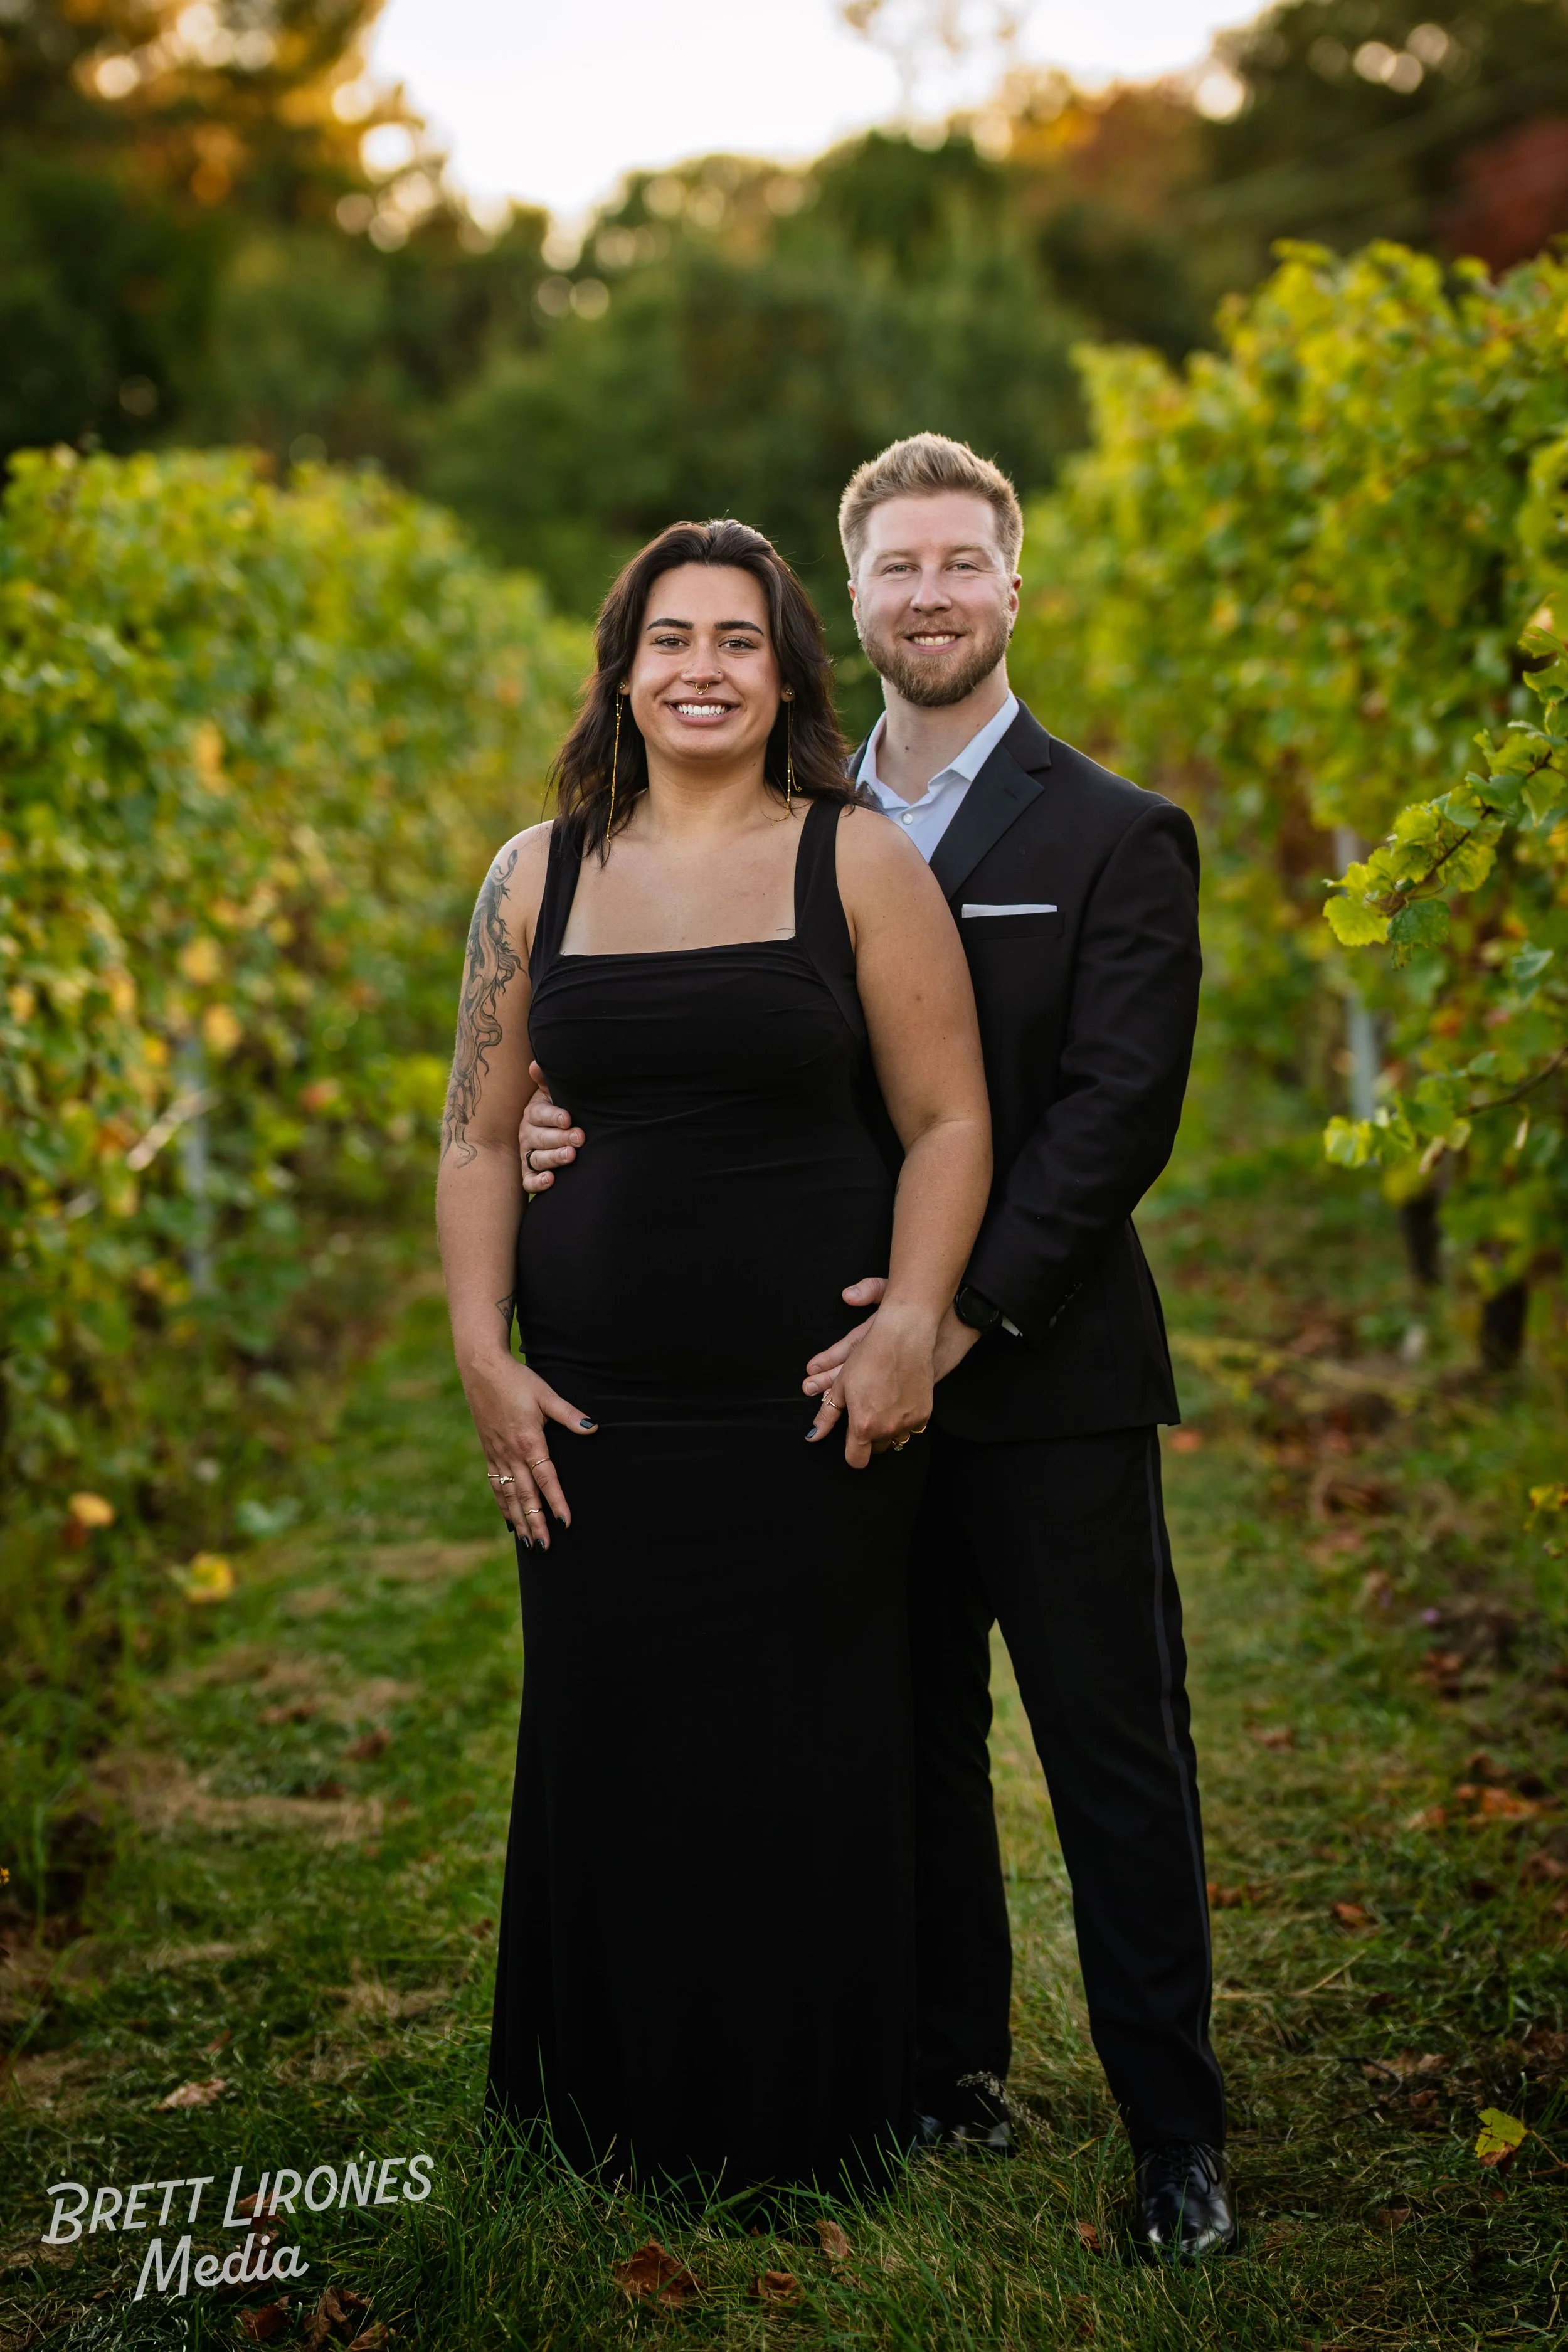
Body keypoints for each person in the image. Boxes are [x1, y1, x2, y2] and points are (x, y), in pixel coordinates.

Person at [518, 438, 1236, 2259]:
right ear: (853, 599)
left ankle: (1174, 2132)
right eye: (894, 567)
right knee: (894, 1738)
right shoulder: (784, 812)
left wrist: (957, 1314)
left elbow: (1110, 1115)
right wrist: (560, 1114)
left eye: (958, 565)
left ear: (1011, 585)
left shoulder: (1111, 829)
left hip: (1036, 1370)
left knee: (1107, 1749)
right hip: (816, 1388)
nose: (927, 594)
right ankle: (941, 2068)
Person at [436, 517, 991, 2198]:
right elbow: (474, 1140)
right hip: (597, 1407)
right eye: (668, 637)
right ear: (620, 667)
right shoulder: (534, 874)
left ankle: (808, 2115)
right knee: (608, 1732)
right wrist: (481, 1351)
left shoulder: (858, 862)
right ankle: (604, 2104)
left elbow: (950, 1116)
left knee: (806, 1744)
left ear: (786, 671)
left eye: (735, 641)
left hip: (804, 1408)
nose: (698, 668)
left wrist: (908, 1321)